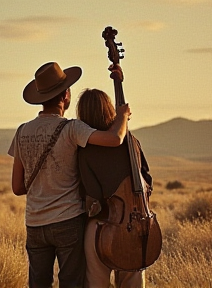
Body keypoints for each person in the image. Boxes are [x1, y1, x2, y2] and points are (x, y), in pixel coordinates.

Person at [8, 61, 130, 288]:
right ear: (65, 95)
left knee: (38, 283)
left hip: (34, 223)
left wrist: (42, 184)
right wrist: (122, 116)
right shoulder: (72, 128)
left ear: (40, 98)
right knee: (71, 282)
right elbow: (114, 139)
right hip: (68, 221)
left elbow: (17, 187)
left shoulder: (22, 131)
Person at [77, 87, 152, 288]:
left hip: (100, 226)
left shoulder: (84, 148)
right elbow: (147, 181)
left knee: (96, 282)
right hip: (135, 222)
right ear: (110, 109)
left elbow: (89, 192)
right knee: (133, 281)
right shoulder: (132, 141)